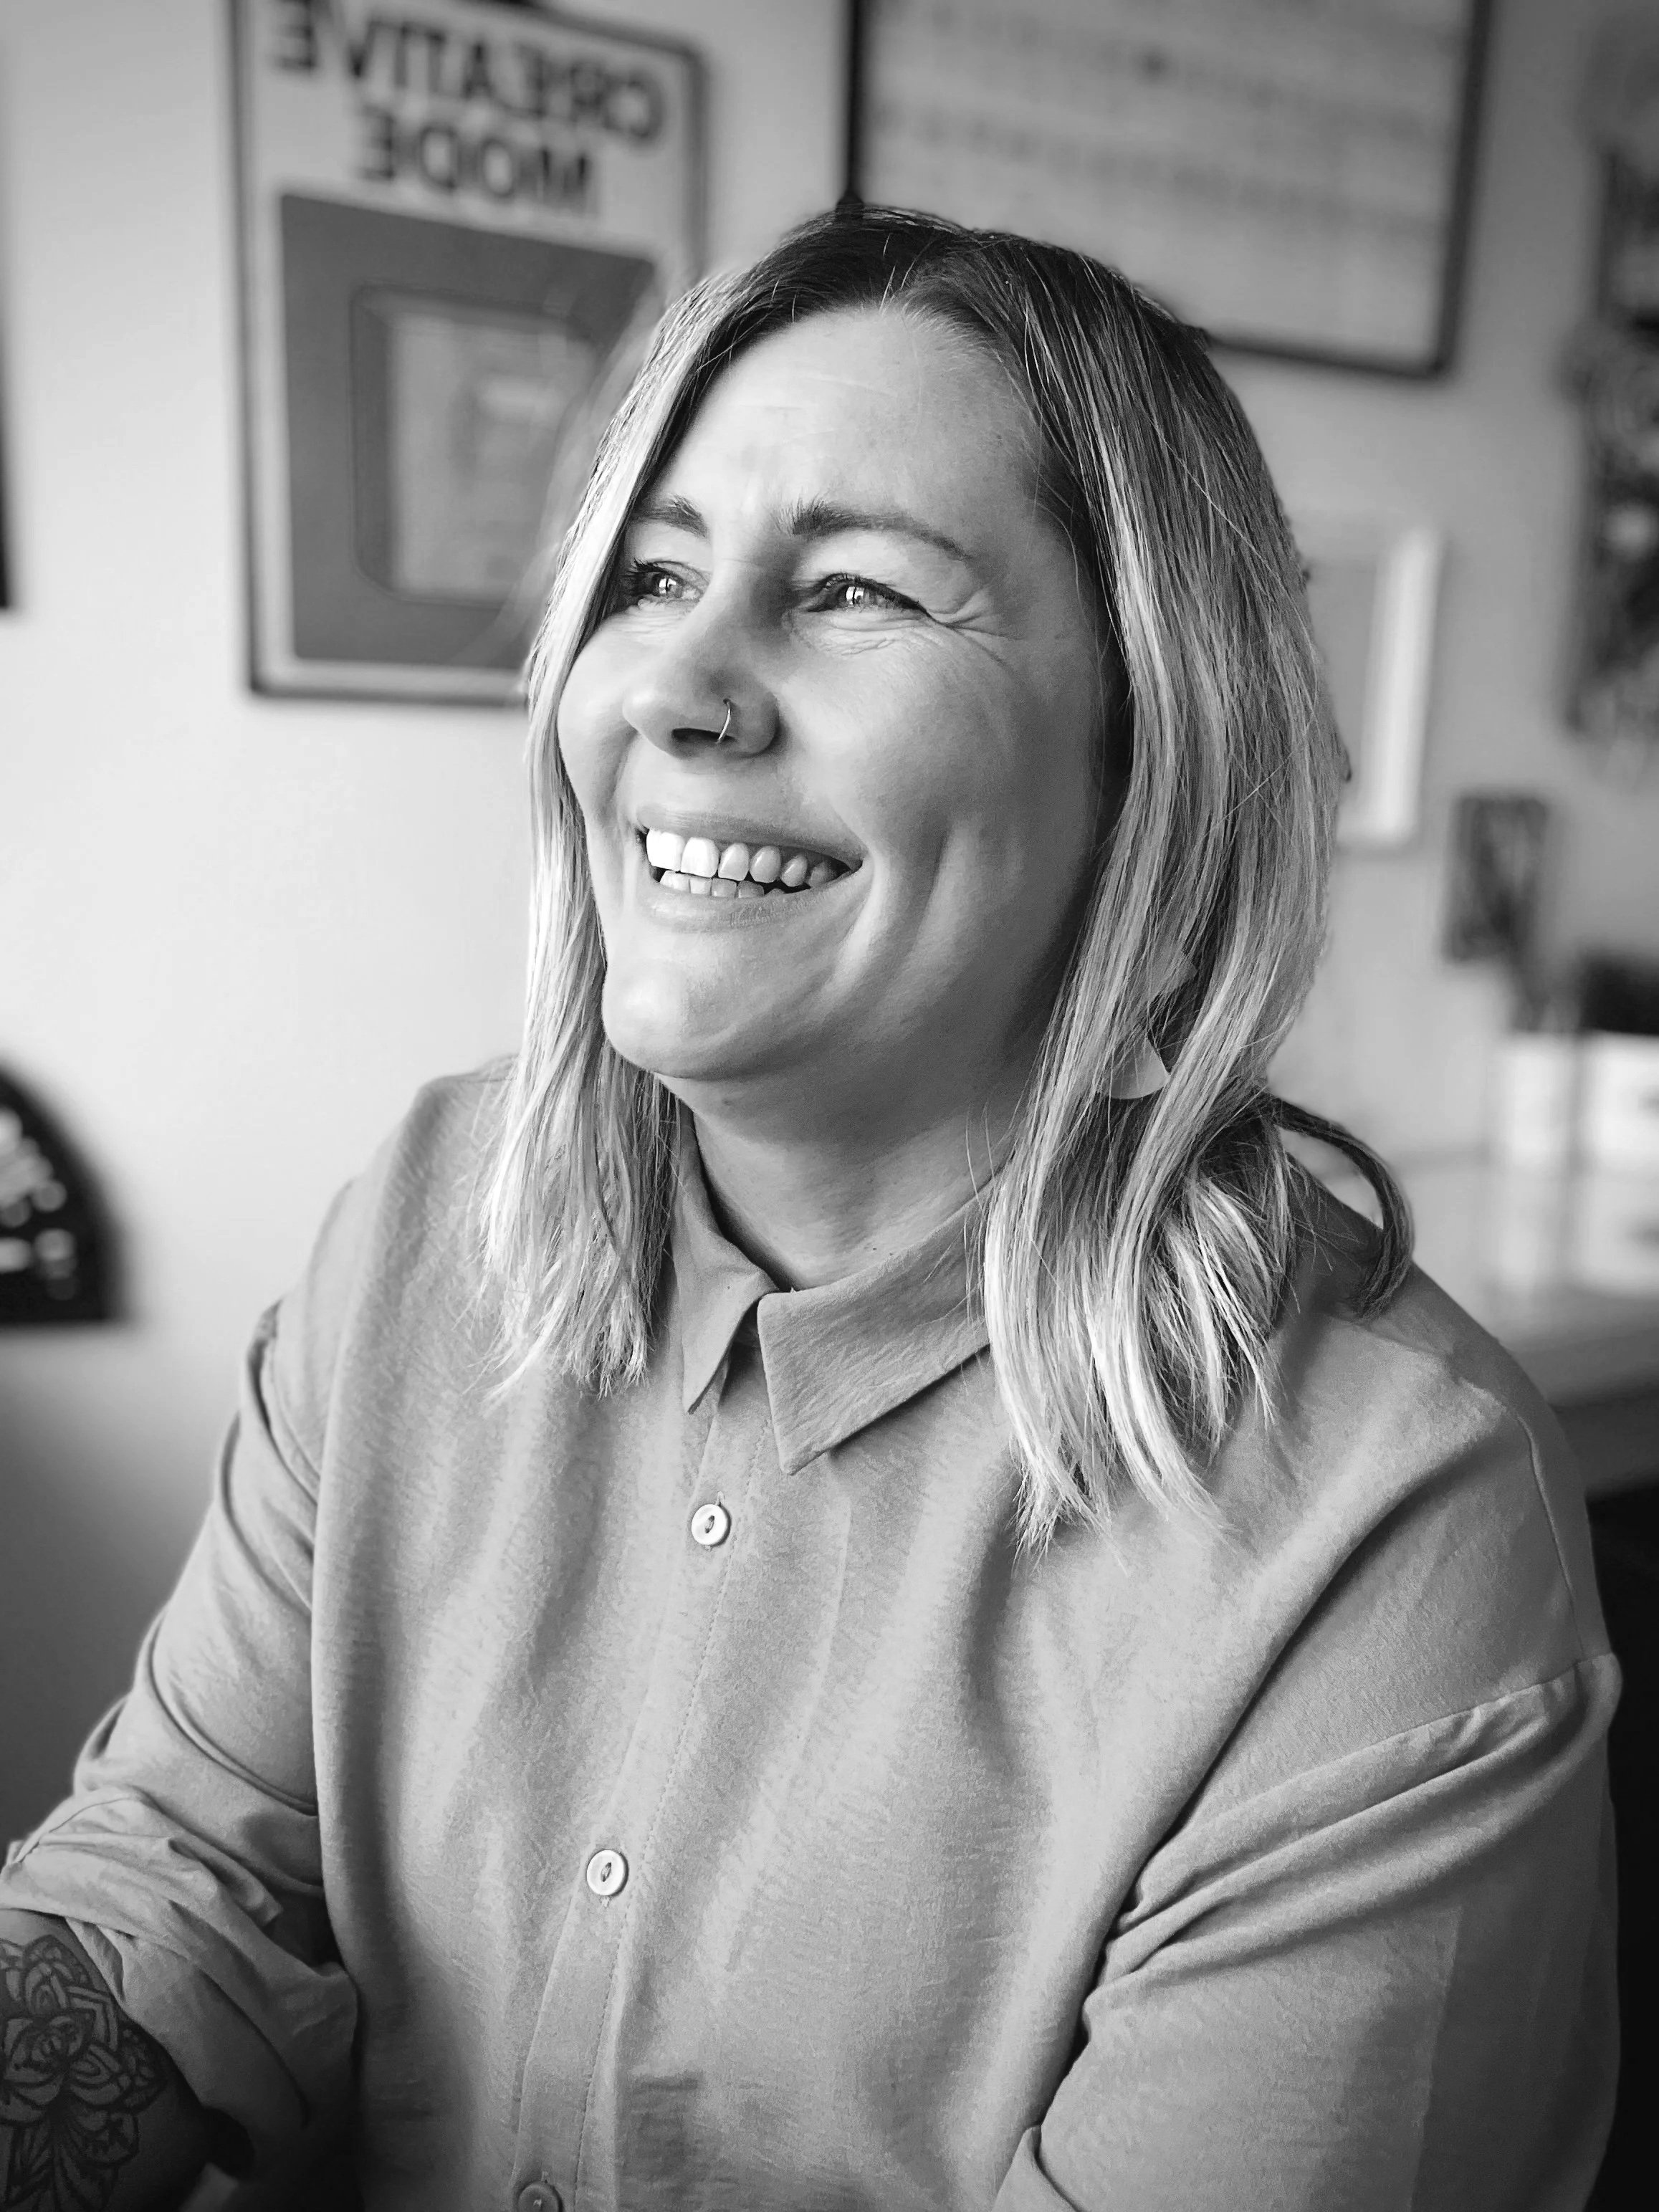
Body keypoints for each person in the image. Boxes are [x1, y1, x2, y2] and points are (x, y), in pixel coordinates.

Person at [0, 206, 1618, 2212]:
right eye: (654, 573)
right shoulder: (425, 1220)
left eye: (852, 591)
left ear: (1146, 767)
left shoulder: (1383, 1524)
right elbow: (181, 1881)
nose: (679, 681)